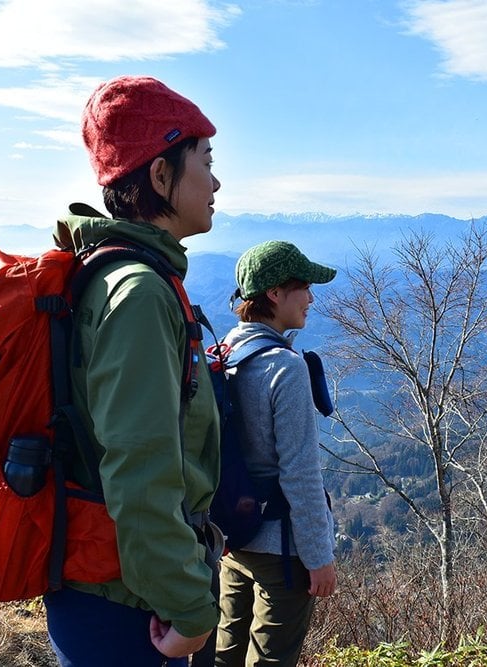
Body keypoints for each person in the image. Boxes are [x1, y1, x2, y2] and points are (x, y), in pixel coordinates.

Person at [43, 75, 222, 666]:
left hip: (110, 590)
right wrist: (191, 609)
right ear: (160, 174)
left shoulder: (111, 272)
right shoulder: (140, 293)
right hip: (129, 605)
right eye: (205, 159)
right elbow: (140, 471)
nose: (216, 181)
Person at [214, 241, 339, 667]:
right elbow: (301, 474)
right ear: (274, 293)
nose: (311, 298)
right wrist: (319, 559)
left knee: (223, 653)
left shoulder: (222, 354)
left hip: (232, 535)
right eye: (303, 286)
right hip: (282, 550)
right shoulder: (286, 368)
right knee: (271, 659)